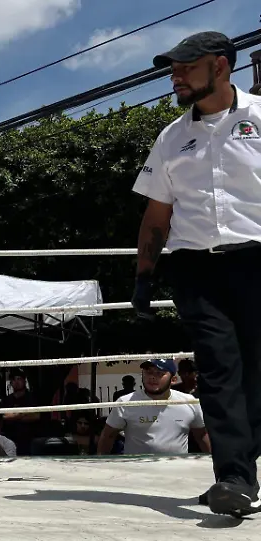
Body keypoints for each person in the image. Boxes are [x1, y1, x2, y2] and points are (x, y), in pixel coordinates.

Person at [131, 32, 261, 515]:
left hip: (257, 262)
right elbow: (156, 216)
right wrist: (144, 278)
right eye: (173, 67)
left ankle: (241, 469)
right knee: (220, 371)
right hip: (196, 270)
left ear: (221, 67)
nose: (176, 75)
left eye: (187, 66)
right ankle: (233, 477)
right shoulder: (170, 138)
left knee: (256, 376)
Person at [97, 360, 210, 457]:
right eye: (148, 372)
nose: (152, 377)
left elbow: (201, 435)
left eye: (159, 373)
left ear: (173, 379)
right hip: (137, 472)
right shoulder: (125, 402)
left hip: (178, 471)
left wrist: (216, 466)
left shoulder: (189, 402)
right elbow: (108, 435)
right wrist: (101, 466)